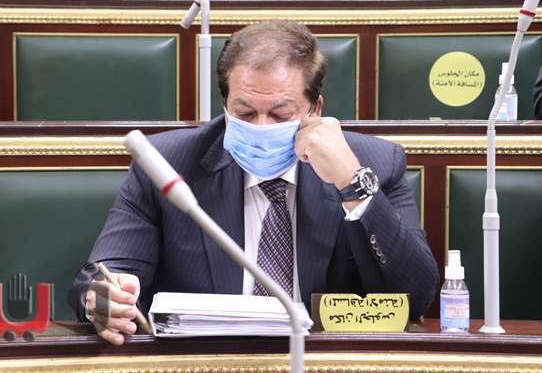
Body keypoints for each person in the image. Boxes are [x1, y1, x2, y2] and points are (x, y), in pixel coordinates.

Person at [73, 20, 439, 345]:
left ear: (315, 110)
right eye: (245, 113)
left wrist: (352, 185)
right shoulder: (167, 166)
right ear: (225, 106)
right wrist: (104, 299)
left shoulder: (375, 164)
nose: (261, 127)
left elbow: (416, 298)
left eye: (280, 114)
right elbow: (100, 276)